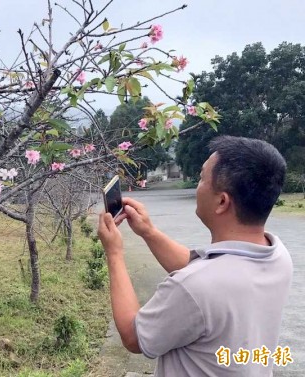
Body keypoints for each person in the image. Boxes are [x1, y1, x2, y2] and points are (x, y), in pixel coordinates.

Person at [97, 136, 293, 376]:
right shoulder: (277, 255)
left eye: (201, 178)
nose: (198, 185)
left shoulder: (195, 286)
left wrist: (114, 253)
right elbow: (198, 270)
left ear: (222, 202)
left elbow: (133, 336)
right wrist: (148, 232)